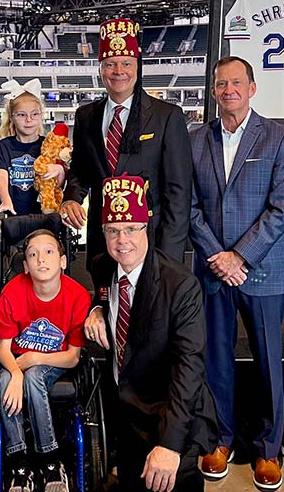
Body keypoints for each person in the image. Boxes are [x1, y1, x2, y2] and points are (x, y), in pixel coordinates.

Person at [189, 56, 284, 489]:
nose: (228, 90)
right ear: (213, 91)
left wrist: (241, 257)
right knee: (215, 359)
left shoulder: (279, 137)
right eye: (221, 84)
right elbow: (190, 207)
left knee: (269, 362)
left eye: (236, 82)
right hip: (212, 269)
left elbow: (282, 206)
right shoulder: (196, 139)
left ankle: (269, 449)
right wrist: (219, 256)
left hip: (262, 270)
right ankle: (221, 439)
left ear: (252, 88)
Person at [84, 175, 217, 492]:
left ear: (148, 228)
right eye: (114, 230)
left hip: (170, 415)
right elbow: (104, 295)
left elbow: (189, 369)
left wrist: (170, 446)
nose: (122, 240)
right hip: (126, 414)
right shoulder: (103, 265)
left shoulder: (180, 286)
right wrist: (96, 310)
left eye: (132, 228)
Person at [60, 18, 191, 264]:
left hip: (151, 245)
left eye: (126, 63)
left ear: (138, 67)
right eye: (110, 64)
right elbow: (80, 171)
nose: (118, 71)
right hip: (103, 245)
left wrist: (168, 257)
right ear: (100, 68)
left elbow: (178, 194)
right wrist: (71, 198)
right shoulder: (86, 115)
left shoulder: (167, 116)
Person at [0, 229, 91, 492]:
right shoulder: (13, 292)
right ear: (25, 265)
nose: (41, 259)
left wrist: (33, 359)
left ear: (62, 260)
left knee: (35, 374)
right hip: (15, 360)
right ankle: (19, 464)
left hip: (55, 362)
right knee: (3, 382)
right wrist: (15, 373)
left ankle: (50, 461)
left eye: (49, 252)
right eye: (33, 254)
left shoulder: (78, 295)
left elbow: (72, 357)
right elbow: (2, 349)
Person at [0, 79, 64, 215]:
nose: (29, 120)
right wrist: (6, 200)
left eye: (34, 114)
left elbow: (57, 185)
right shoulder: (5, 145)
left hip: (43, 215)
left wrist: (60, 170)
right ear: (11, 117)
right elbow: (2, 174)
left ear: (41, 115)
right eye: (21, 115)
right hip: (14, 217)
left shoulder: (48, 146)